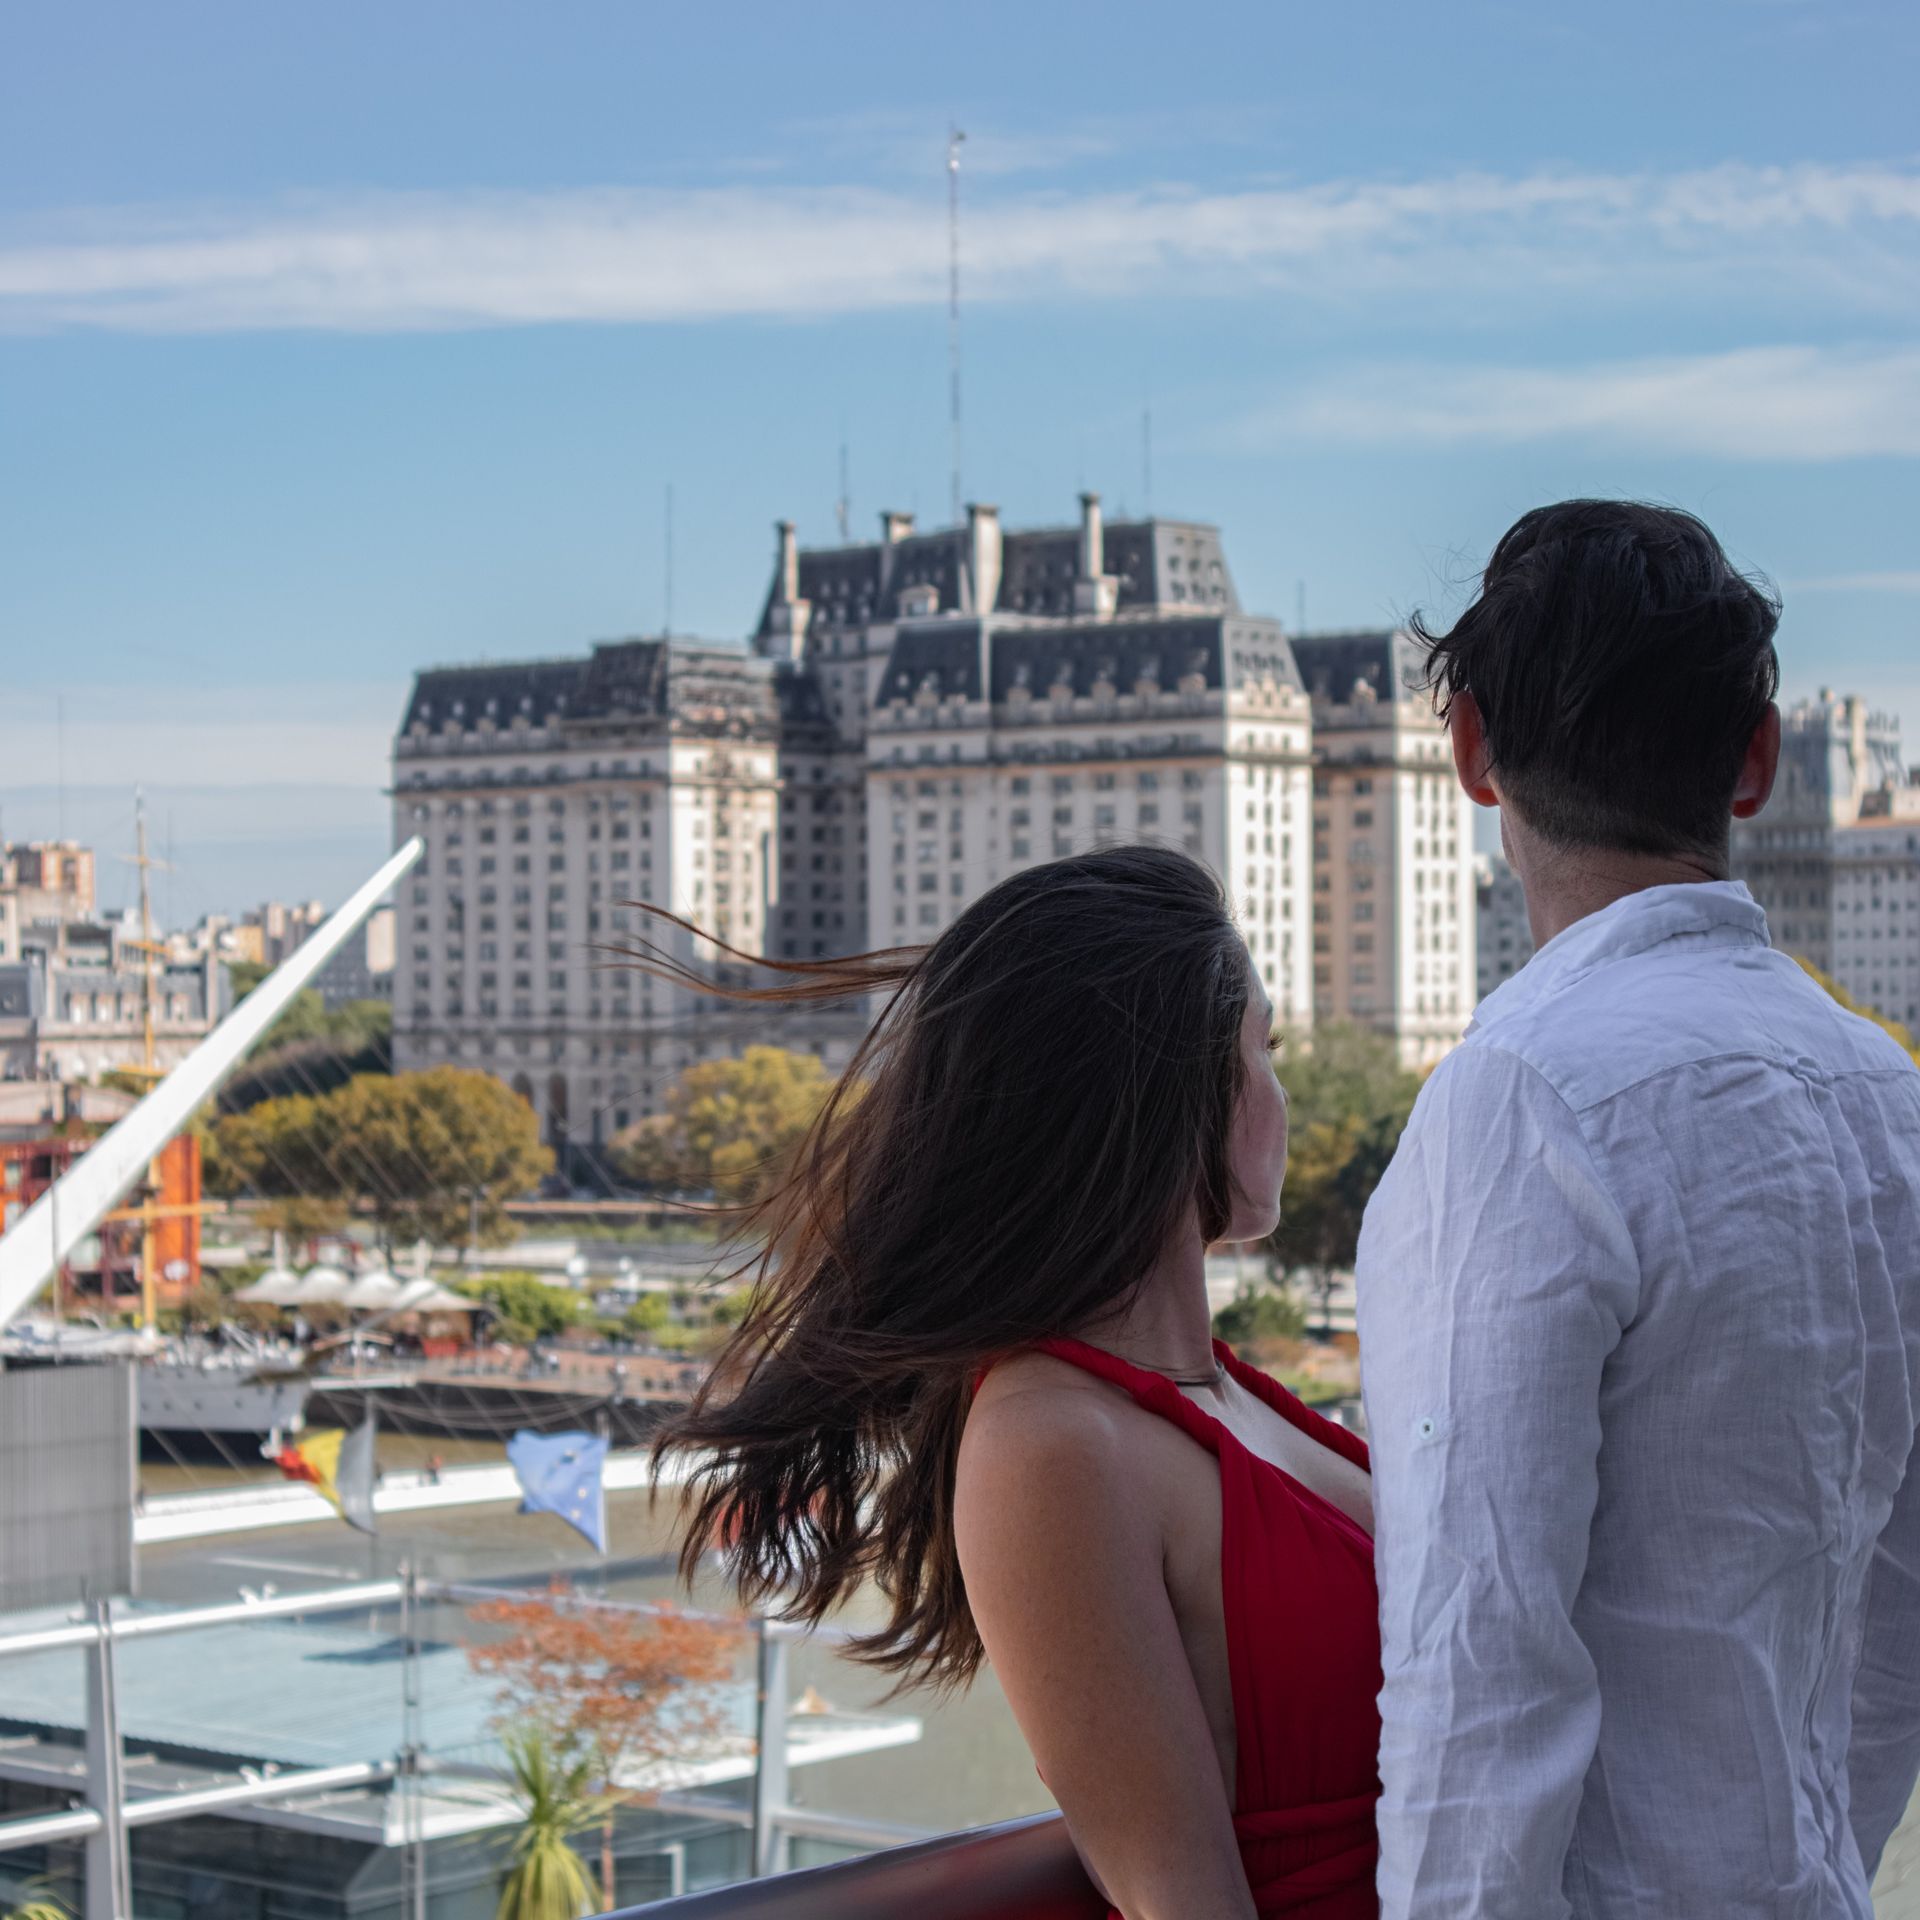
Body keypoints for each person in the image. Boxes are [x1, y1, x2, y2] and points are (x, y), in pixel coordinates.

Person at [1358, 499, 1920, 1917]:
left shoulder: (1519, 1099)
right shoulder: (1890, 1095)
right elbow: (1902, 1611)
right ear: (1757, 761)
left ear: (1471, 752)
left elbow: (1475, 1659)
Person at [648, 847, 1380, 1919]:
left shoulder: (1225, 1396)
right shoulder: (1054, 1446)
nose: (1281, 1093)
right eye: (1261, 1051)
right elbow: (1182, 1899)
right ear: (1172, 1097)